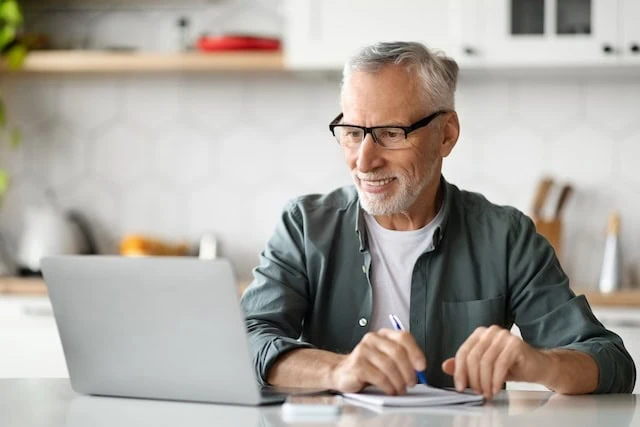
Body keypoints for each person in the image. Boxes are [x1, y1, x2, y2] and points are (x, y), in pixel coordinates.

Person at [240, 41, 636, 399]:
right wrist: (340, 369)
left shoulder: (506, 237)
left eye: (391, 133)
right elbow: (244, 340)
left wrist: (541, 364)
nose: (364, 160)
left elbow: (612, 362)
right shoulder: (305, 226)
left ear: (446, 134)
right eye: (352, 132)